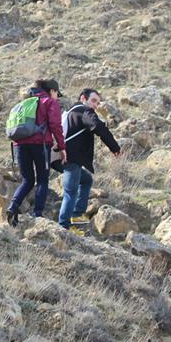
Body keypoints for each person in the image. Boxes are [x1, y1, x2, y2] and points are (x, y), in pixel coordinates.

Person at [58, 89, 122, 235]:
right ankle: (64, 227)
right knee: (70, 192)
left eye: (98, 103)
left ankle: (76, 215)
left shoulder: (70, 112)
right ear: (83, 98)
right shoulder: (85, 111)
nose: (95, 105)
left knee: (86, 180)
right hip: (71, 159)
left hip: (61, 157)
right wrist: (115, 147)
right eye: (93, 101)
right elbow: (98, 127)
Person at [5, 79, 67, 226]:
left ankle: (13, 207)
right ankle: (37, 214)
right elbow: (55, 126)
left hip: (19, 145)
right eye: (57, 94)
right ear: (52, 91)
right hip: (40, 145)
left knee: (27, 180)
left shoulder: (23, 104)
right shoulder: (49, 102)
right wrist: (62, 147)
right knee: (42, 180)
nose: (57, 97)